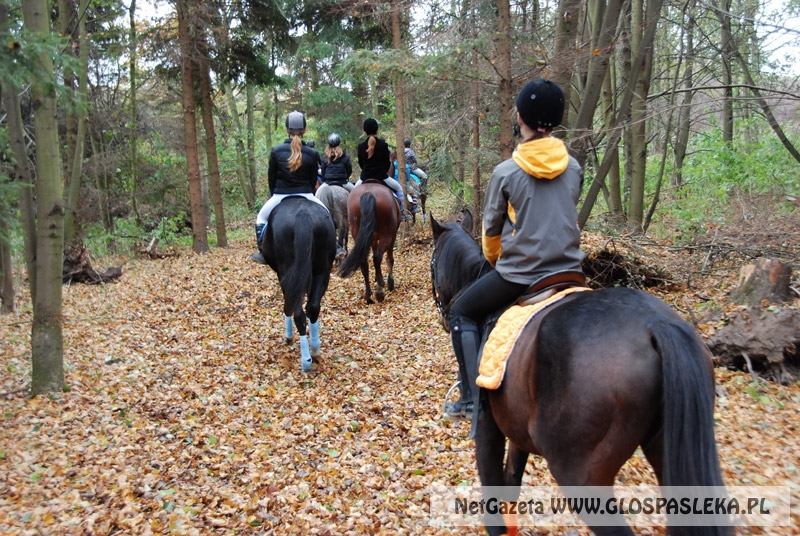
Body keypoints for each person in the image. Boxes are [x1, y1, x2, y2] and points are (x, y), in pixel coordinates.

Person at [443, 78, 585, 420]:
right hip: (570, 271)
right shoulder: (574, 167)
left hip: (522, 275)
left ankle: (470, 400)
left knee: (460, 311)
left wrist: (495, 261)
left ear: (519, 118)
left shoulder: (507, 171)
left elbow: (491, 230)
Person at [251, 110, 329, 264]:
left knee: (261, 218)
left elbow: (271, 178)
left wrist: (275, 194)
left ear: (287, 130)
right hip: (307, 194)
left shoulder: (276, 151)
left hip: (280, 194)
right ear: (304, 131)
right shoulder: (312, 153)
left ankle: (262, 251)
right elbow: (313, 179)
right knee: (326, 215)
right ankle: (334, 245)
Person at [355, 118, 410, 220]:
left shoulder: (361, 146)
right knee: (399, 189)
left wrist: (367, 170)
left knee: (353, 194)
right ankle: (402, 212)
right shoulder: (383, 145)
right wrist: (383, 171)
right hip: (381, 176)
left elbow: (361, 163)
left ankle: (353, 217)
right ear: (377, 130)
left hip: (365, 177)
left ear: (365, 131)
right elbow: (387, 163)